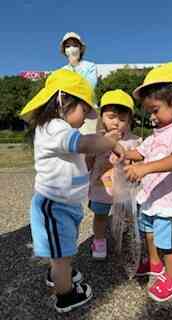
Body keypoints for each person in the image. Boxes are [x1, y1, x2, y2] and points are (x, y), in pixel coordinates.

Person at [20, 69, 124, 313]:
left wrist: (104, 142)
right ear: (62, 101)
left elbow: (82, 144)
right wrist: (110, 141)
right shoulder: (54, 127)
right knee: (61, 251)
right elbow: (84, 143)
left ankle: (58, 270)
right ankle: (65, 295)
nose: (86, 116)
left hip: (64, 203)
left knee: (62, 248)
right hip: (54, 205)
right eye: (84, 110)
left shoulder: (59, 128)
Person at [123, 62, 172, 302]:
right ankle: (154, 263)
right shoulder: (159, 131)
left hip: (171, 201)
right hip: (151, 197)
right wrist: (121, 152)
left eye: (155, 110)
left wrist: (145, 168)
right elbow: (141, 152)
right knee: (149, 232)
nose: (152, 117)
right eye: (149, 112)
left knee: (169, 243)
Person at [88, 89, 142, 260]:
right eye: (111, 117)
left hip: (126, 190)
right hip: (101, 188)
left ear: (130, 120)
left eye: (122, 119)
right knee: (101, 216)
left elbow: (140, 163)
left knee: (128, 218)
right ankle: (99, 242)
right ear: (101, 117)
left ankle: (126, 241)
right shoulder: (95, 139)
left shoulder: (135, 140)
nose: (116, 123)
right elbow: (87, 164)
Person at [60, 31, 98, 134]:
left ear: (81, 49)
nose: (71, 49)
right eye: (67, 46)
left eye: (75, 45)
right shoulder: (61, 71)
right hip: (68, 111)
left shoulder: (90, 66)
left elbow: (89, 86)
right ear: (64, 51)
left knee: (89, 143)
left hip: (89, 110)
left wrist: (75, 65)